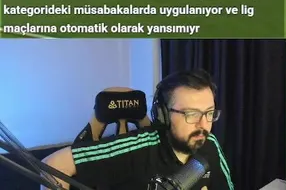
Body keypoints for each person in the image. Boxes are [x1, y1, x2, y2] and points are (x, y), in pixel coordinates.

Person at [42, 70, 233, 190]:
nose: (203, 125)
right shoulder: (134, 148)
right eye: (191, 114)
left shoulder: (209, 144)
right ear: (163, 115)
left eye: (209, 113)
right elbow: (53, 165)